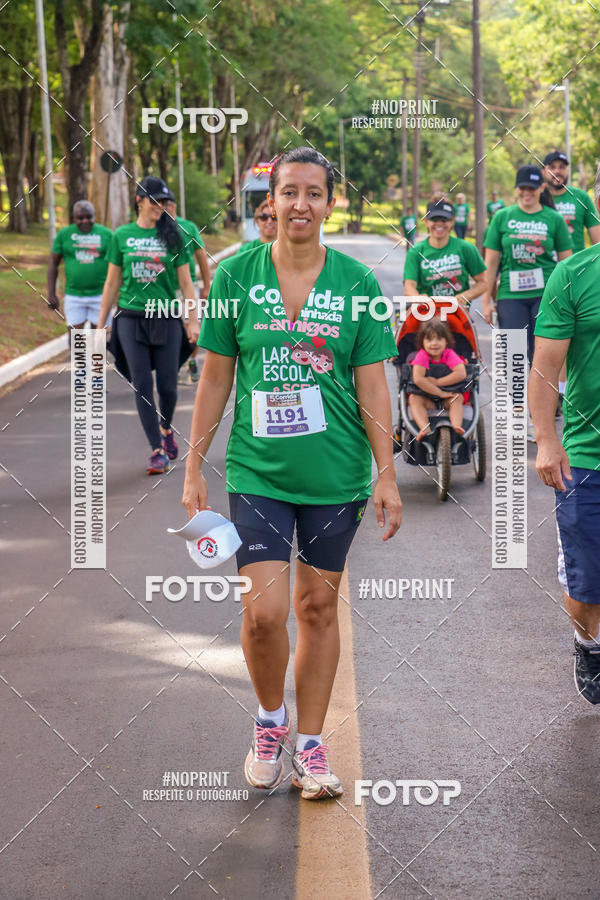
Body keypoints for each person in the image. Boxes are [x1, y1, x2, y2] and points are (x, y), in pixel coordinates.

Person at [182, 146, 402, 800]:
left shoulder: (357, 287)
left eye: (313, 193)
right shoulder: (235, 279)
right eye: (289, 193)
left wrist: (386, 472)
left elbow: (373, 385)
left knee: (316, 608)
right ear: (269, 203)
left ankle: (310, 745)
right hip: (258, 472)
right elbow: (217, 376)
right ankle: (269, 720)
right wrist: (194, 465)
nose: (300, 204)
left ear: (330, 203)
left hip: (337, 477)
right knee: (263, 611)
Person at [529, 161, 600, 703]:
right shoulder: (574, 274)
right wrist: (547, 438)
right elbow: (545, 367)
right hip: (587, 452)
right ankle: (589, 644)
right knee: (586, 583)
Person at [97, 175, 199, 475]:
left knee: (167, 386)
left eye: (164, 201)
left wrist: (193, 320)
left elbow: (186, 282)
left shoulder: (174, 234)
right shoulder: (122, 236)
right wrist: (100, 324)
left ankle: (166, 428)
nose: (161, 206)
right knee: (142, 384)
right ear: (139, 200)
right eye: (155, 200)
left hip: (166, 317)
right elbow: (112, 281)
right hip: (130, 317)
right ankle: (157, 451)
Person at [482, 165, 572, 363]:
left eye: (531, 188)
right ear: (516, 189)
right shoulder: (502, 217)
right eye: (522, 188)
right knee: (514, 359)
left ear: (541, 187)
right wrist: (486, 301)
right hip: (510, 295)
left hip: (547, 295)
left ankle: (544, 395)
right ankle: (515, 396)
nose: (526, 192)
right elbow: (491, 262)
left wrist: (567, 299)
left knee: (541, 357)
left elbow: (567, 263)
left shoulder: (554, 219)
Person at [48, 200, 113, 345]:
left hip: (100, 295)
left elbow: (117, 265)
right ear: (74, 218)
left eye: (89, 217)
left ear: (94, 216)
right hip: (74, 296)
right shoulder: (64, 235)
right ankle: (80, 368)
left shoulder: (107, 234)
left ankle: (96, 368)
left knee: (99, 340)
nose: (85, 221)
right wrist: (52, 294)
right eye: (80, 218)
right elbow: (53, 263)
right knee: (77, 340)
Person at [403, 199, 487, 308]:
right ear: (426, 221)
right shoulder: (415, 252)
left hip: (458, 314)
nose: (439, 223)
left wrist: (465, 296)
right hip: (426, 313)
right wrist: (418, 298)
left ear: (452, 221)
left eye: (444, 219)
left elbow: (483, 282)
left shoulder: (466, 248)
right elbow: (409, 285)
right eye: (434, 219)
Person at [165, 196, 211, 383]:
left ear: (173, 206)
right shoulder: (154, 229)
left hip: (188, 285)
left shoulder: (188, 227)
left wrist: (206, 286)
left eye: (165, 206)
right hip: (165, 288)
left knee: (191, 328)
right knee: (171, 330)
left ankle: (191, 360)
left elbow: (201, 256)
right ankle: (173, 364)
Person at [409, 318, 467, 440]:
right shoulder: (422, 355)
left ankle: (456, 427)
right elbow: (418, 379)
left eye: (439, 339)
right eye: (429, 339)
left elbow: (461, 373)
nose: (434, 343)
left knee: (457, 398)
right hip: (426, 398)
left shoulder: (449, 354)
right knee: (414, 399)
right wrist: (440, 392)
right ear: (422, 342)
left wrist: (438, 382)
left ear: (446, 341)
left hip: (448, 397)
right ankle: (425, 429)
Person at [543, 150, 600, 254]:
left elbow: (597, 240)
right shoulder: (536, 198)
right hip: (546, 267)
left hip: (575, 267)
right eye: (552, 167)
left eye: (562, 167)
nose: (557, 171)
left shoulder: (581, 197)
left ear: (568, 170)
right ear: (544, 171)